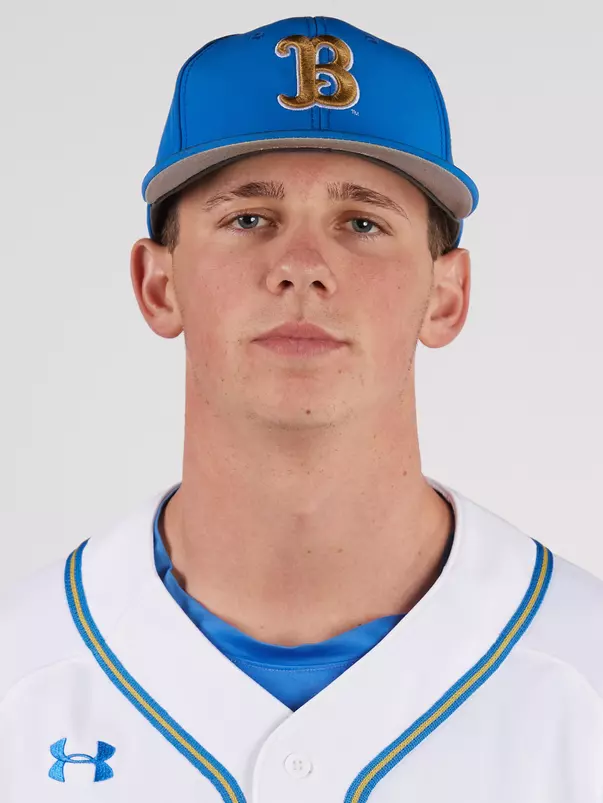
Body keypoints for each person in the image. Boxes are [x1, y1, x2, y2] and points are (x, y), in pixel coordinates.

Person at [2, 15, 602, 802]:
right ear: (157, 284)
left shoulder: (583, 674)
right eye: (249, 218)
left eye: (362, 222)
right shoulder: (20, 669)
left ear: (446, 294)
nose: (302, 268)